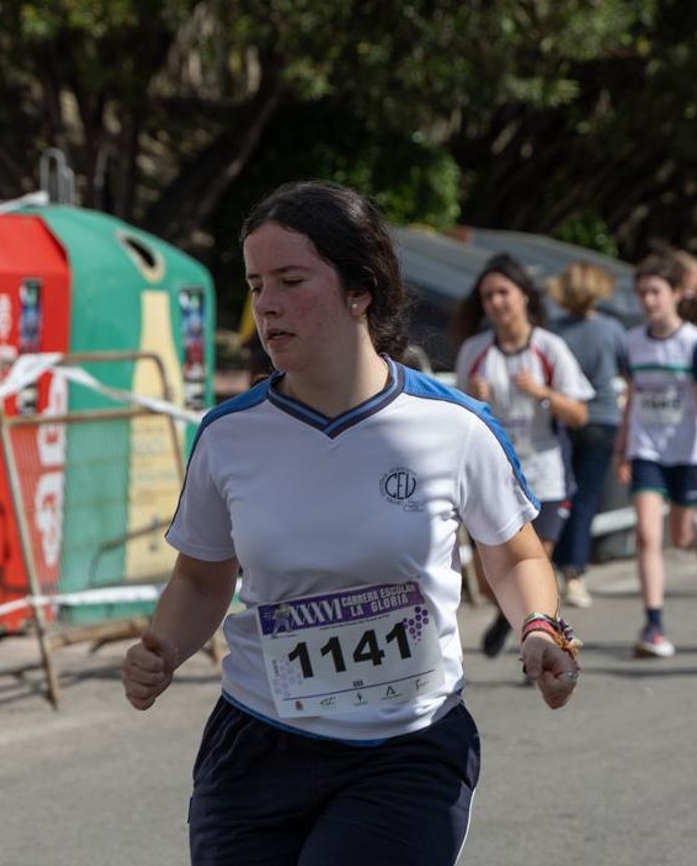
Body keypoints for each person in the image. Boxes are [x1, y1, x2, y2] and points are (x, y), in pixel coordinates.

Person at [122, 181, 580, 865]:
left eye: (290, 279)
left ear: (360, 289)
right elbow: (202, 577)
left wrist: (540, 628)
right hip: (257, 743)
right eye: (255, 284)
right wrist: (163, 647)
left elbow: (513, 555)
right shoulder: (229, 435)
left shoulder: (452, 427)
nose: (267, 303)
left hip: (407, 747)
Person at [453, 254, 593, 654]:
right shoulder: (475, 352)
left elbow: (580, 413)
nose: (497, 302)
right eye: (488, 295)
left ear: (524, 296)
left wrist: (542, 393)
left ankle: (549, 648)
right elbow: (458, 417)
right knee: (488, 580)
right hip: (494, 480)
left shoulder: (550, 348)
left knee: (534, 569)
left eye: (503, 292)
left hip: (545, 474)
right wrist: (473, 400)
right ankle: (507, 616)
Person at [612, 255, 697, 657]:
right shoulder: (631, 342)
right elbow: (632, 398)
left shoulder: (693, 343)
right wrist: (623, 447)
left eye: (656, 291)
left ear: (676, 294)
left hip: (687, 452)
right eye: (642, 292)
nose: (648, 300)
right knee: (647, 534)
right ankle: (654, 624)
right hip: (647, 449)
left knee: (679, 538)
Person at [549, 260, 632, 608]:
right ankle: (575, 573)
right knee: (585, 501)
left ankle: (553, 566)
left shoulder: (552, 330)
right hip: (602, 419)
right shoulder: (611, 329)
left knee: (560, 498)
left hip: (563, 417)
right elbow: (628, 371)